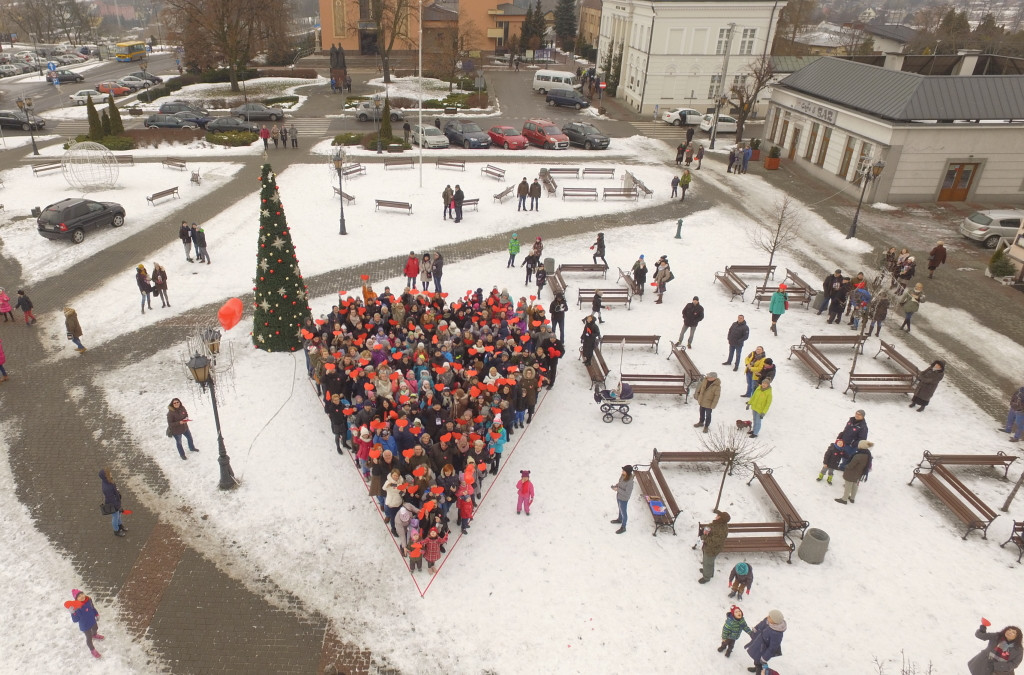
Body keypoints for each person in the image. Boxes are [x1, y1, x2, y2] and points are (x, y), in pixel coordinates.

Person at [835, 440, 873, 505]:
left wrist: (845, 466)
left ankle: (844, 499)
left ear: (861, 446)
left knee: (848, 486)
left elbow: (850, 466)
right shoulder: (868, 455)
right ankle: (852, 498)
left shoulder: (858, 456)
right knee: (855, 486)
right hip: (859, 474)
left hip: (851, 473)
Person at [68, 589, 104, 658]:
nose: (81, 596)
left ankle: (94, 635)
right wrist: (73, 613)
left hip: (92, 620)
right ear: (76, 599)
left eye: (82, 594)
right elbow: (75, 620)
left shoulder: (88, 600)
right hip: (85, 625)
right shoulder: (76, 607)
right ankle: (92, 650)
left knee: (95, 628)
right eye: (79, 596)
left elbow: (93, 608)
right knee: (89, 637)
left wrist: (96, 614)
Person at [698, 510, 730, 582]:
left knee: (707, 562)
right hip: (708, 547)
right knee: (709, 561)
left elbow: (713, 542)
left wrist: (704, 537)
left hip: (712, 549)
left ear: (721, 519)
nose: (716, 516)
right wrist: (705, 530)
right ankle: (709, 572)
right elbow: (711, 528)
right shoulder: (717, 523)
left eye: (718, 515)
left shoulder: (721, 530)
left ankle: (706, 577)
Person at [99, 468, 125, 537]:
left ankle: (120, 526)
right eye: (109, 473)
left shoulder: (108, 481)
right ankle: (116, 530)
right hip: (113, 504)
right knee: (115, 517)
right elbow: (111, 499)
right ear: (106, 476)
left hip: (116, 502)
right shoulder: (107, 487)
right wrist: (117, 506)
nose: (111, 473)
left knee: (118, 514)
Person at [610, 465, 633, 534]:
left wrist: (618, 489)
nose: (622, 471)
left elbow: (627, 493)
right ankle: (619, 519)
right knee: (620, 508)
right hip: (619, 496)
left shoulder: (630, 482)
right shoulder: (623, 475)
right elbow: (620, 482)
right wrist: (616, 486)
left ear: (627, 472)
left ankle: (623, 527)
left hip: (624, 499)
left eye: (624, 471)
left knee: (624, 512)